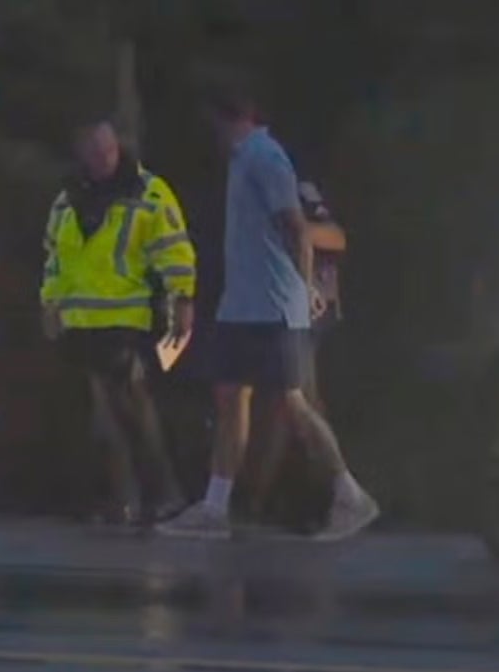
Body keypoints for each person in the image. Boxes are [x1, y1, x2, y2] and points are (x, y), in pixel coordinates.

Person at [159, 84, 378, 541]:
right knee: (230, 398)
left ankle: (350, 496)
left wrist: (304, 288)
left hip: (274, 306)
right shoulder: (243, 162)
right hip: (243, 304)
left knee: (291, 404)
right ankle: (214, 508)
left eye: (214, 124)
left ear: (228, 119)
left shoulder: (265, 157)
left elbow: (296, 228)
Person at [41, 116, 196, 526]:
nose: (104, 158)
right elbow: (57, 257)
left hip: (128, 317)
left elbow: (174, 250)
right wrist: (51, 303)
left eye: (108, 149)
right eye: (94, 152)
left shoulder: (146, 192)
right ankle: (125, 498)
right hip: (82, 320)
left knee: (131, 403)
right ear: (82, 155)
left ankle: (163, 493)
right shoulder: (69, 197)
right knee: (102, 412)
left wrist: (182, 299)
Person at [243, 178, 348, 527]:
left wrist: (299, 232)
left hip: (309, 309)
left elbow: (334, 236)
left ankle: (328, 496)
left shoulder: (294, 190)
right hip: (277, 308)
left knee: (297, 402)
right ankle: (282, 498)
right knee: (288, 402)